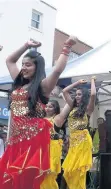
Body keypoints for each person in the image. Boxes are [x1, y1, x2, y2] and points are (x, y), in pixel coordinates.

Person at [0, 36, 76, 189]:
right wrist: (26, 45)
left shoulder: (43, 87)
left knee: (24, 179)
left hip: (32, 140)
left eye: (28, 65)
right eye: (23, 65)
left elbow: (57, 71)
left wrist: (66, 47)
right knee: (10, 180)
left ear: (37, 67)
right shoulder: (19, 83)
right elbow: (9, 60)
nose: (24, 68)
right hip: (15, 141)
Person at [61, 77, 96, 189]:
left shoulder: (88, 109)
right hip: (73, 143)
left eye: (79, 94)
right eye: (76, 94)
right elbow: (64, 91)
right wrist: (77, 83)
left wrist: (92, 81)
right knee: (68, 171)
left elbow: (93, 95)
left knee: (78, 171)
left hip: (83, 143)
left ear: (84, 96)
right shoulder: (72, 106)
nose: (76, 96)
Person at [40, 100, 67, 189]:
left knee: (49, 174)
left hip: (52, 149)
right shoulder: (40, 119)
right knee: (40, 175)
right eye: (46, 106)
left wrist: (63, 94)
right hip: (40, 148)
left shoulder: (57, 119)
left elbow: (67, 107)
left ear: (55, 109)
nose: (47, 108)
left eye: (50, 106)